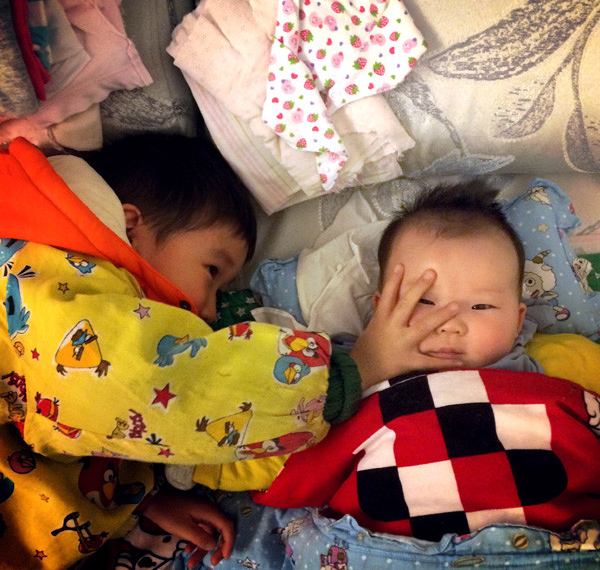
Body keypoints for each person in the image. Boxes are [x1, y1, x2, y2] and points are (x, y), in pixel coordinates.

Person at [0, 134, 425, 570]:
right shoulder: (45, 266)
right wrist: (340, 376)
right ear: (131, 226)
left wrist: (138, 499)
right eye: (211, 270)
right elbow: (129, 380)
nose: (207, 310)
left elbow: (72, 421)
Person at [182, 179, 600, 569]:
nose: (449, 324)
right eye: (424, 301)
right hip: (382, 553)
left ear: (518, 318)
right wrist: (191, 468)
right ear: (378, 308)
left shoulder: (555, 363)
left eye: (481, 307)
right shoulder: (338, 374)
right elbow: (266, 436)